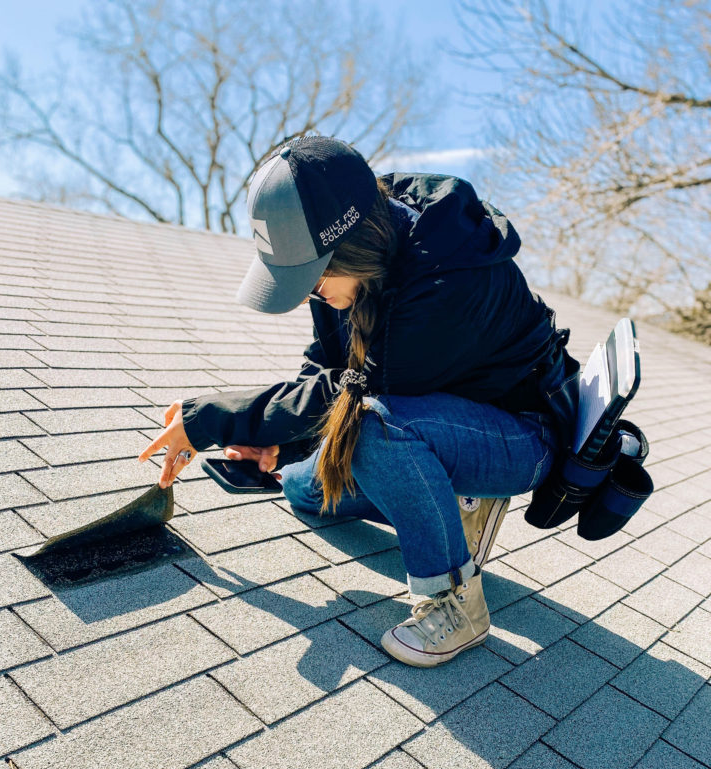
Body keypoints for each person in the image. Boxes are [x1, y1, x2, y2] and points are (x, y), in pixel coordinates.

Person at [138, 136, 578, 668]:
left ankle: (456, 600)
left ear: (350, 250)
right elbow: (325, 365)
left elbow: (354, 393)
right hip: (431, 415)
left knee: (375, 428)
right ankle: (453, 500)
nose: (306, 296)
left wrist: (209, 419)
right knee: (303, 490)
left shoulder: (446, 280)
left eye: (311, 281)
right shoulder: (357, 259)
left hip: (518, 436)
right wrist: (276, 439)